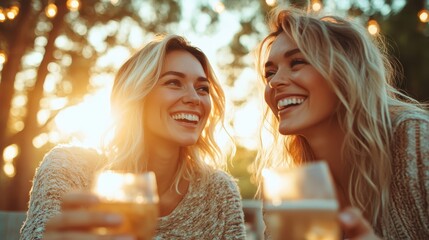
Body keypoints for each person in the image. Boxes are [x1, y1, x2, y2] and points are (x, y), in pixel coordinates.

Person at [20, 34, 246, 239]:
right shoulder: (68, 169)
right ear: (137, 95)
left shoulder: (219, 191)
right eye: (174, 83)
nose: (194, 98)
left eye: (203, 88)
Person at [254, 6, 429, 239]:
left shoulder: (414, 140)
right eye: (270, 73)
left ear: (345, 72)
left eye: (297, 62)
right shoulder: (291, 189)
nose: (275, 82)